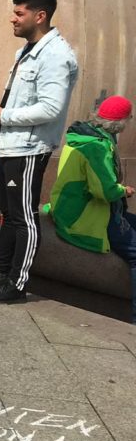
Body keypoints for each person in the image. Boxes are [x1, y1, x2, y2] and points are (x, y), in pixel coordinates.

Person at [0, 0, 79, 303]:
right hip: (10, 143)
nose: (12, 19)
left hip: (28, 149)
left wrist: (3, 115)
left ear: (39, 16)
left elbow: (51, 108)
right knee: (9, 213)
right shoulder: (27, 50)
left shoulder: (56, 56)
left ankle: (17, 284)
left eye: (19, 13)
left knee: (24, 216)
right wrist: (1, 115)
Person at [48, 95, 136, 321]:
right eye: (129, 118)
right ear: (121, 122)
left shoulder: (82, 136)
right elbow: (106, 192)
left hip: (71, 204)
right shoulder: (96, 147)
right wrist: (124, 190)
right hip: (85, 213)